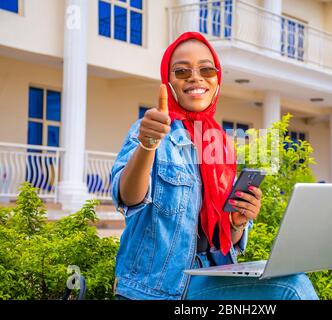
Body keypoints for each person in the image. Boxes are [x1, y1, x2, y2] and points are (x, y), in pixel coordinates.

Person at [111, 32, 319, 300]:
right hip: (159, 289)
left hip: (213, 276)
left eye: (206, 69)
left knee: (290, 282)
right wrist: (148, 145)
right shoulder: (150, 130)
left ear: (217, 80)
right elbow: (128, 196)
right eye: (182, 71)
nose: (195, 77)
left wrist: (237, 223)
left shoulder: (219, 143)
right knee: (292, 288)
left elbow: (225, 240)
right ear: (168, 81)